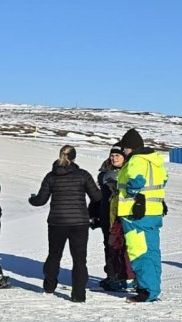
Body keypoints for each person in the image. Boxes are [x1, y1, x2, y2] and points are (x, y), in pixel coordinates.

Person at [27, 145, 102, 302]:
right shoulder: (83, 175)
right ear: (74, 157)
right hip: (79, 222)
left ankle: (49, 287)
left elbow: (40, 200)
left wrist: (31, 199)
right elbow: (96, 197)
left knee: (54, 255)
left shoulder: (51, 176)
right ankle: (79, 295)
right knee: (79, 259)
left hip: (57, 222)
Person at [115, 129, 169, 303]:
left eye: (124, 148)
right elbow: (164, 180)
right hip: (154, 211)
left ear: (129, 147)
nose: (123, 151)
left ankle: (146, 290)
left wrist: (131, 193)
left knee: (139, 251)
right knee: (152, 251)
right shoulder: (156, 160)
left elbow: (137, 181)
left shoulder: (136, 160)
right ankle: (153, 288)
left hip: (135, 213)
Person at [93, 147, 136, 292]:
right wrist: (93, 213)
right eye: (112, 155)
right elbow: (98, 196)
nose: (114, 158)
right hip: (107, 215)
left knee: (127, 247)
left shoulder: (130, 171)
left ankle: (130, 277)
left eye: (118, 155)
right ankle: (112, 277)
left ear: (124, 157)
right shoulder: (104, 173)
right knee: (110, 245)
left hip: (126, 215)